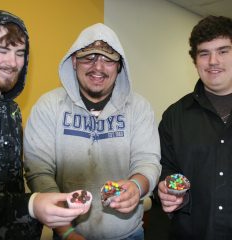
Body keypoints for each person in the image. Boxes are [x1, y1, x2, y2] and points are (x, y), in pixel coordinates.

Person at [23, 23, 161, 240]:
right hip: (67, 232)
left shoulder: (139, 108)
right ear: (74, 61)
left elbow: (148, 161)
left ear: (119, 66)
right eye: (89, 57)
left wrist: (136, 186)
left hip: (128, 234)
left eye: (108, 59)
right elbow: (39, 172)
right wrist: (66, 231)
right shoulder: (48, 106)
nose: (98, 67)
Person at [0, 9, 86, 239]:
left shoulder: (12, 111)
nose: (12, 62)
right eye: (2, 50)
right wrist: (32, 205)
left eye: (20, 53)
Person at [157, 15, 232, 240]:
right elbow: (163, 166)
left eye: (223, 51)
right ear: (195, 61)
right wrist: (166, 190)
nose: (213, 61)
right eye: (204, 53)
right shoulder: (174, 115)